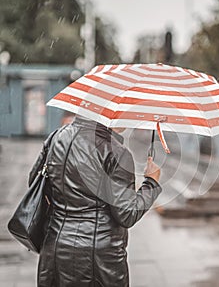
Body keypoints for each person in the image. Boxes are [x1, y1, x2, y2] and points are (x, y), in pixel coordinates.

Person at [29, 115, 162, 287]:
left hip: (54, 247)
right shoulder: (117, 153)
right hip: (98, 259)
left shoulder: (55, 138)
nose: (129, 118)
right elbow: (127, 214)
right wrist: (151, 182)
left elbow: (34, 182)